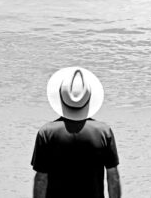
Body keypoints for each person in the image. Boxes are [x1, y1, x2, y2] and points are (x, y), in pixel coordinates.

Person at [32, 66, 121, 198]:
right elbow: (112, 177)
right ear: (89, 99)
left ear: (61, 97)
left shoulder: (46, 133)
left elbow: (41, 179)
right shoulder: (103, 132)